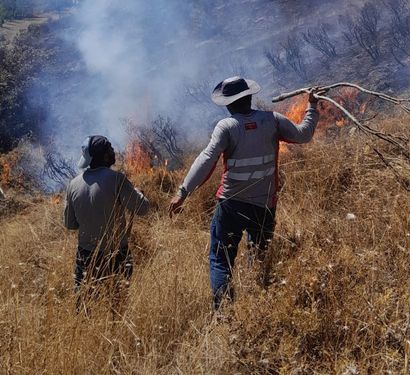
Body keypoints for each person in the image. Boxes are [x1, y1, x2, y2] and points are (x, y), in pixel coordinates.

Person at [169, 76, 325, 309]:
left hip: (231, 205)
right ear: (250, 97)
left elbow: (206, 160)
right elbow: (303, 135)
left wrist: (183, 191)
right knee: (259, 256)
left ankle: (224, 313)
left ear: (228, 104)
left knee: (221, 260)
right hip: (264, 205)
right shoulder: (272, 120)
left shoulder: (227, 127)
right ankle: (258, 304)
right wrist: (312, 106)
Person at [64, 135, 150, 311]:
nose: (114, 152)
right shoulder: (116, 179)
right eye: (110, 149)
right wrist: (137, 192)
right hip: (116, 254)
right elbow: (142, 208)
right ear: (103, 156)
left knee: (85, 306)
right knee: (118, 306)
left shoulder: (73, 184)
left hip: (86, 255)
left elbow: (70, 224)